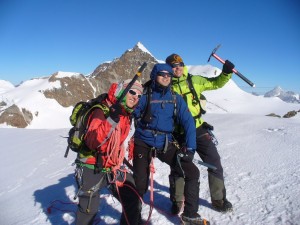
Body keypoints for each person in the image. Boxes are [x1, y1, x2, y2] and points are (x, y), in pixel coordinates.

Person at [132, 63, 210, 225]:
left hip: (165, 142)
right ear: (154, 76)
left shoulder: (175, 98)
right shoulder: (144, 96)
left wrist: (190, 148)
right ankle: (131, 218)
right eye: (162, 74)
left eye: (169, 75)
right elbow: (131, 112)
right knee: (140, 183)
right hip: (143, 141)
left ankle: (189, 214)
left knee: (192, 172)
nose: (166, 77)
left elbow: (188, 122)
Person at [165, 53, 235, 213]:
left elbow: (215, 83)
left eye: (180, 64)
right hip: (178, 132)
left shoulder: (194, 80)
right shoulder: (165, 85)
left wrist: (226, 73)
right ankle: (177, 201)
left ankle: (218, 200)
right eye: (173, 66)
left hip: (197, 127)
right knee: (179, 167)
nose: (178, 68)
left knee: (214, 162)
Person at [74, 79, 143, 225]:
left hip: (112, 165)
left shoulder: (125, 113)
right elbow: (92, 141)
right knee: (88, 210)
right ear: (121, 92)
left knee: (133, 196)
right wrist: (111, 119)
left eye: (139, 95)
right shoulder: (102, 110)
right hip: (92, 165)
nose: (136, 97)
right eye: (132, 91)